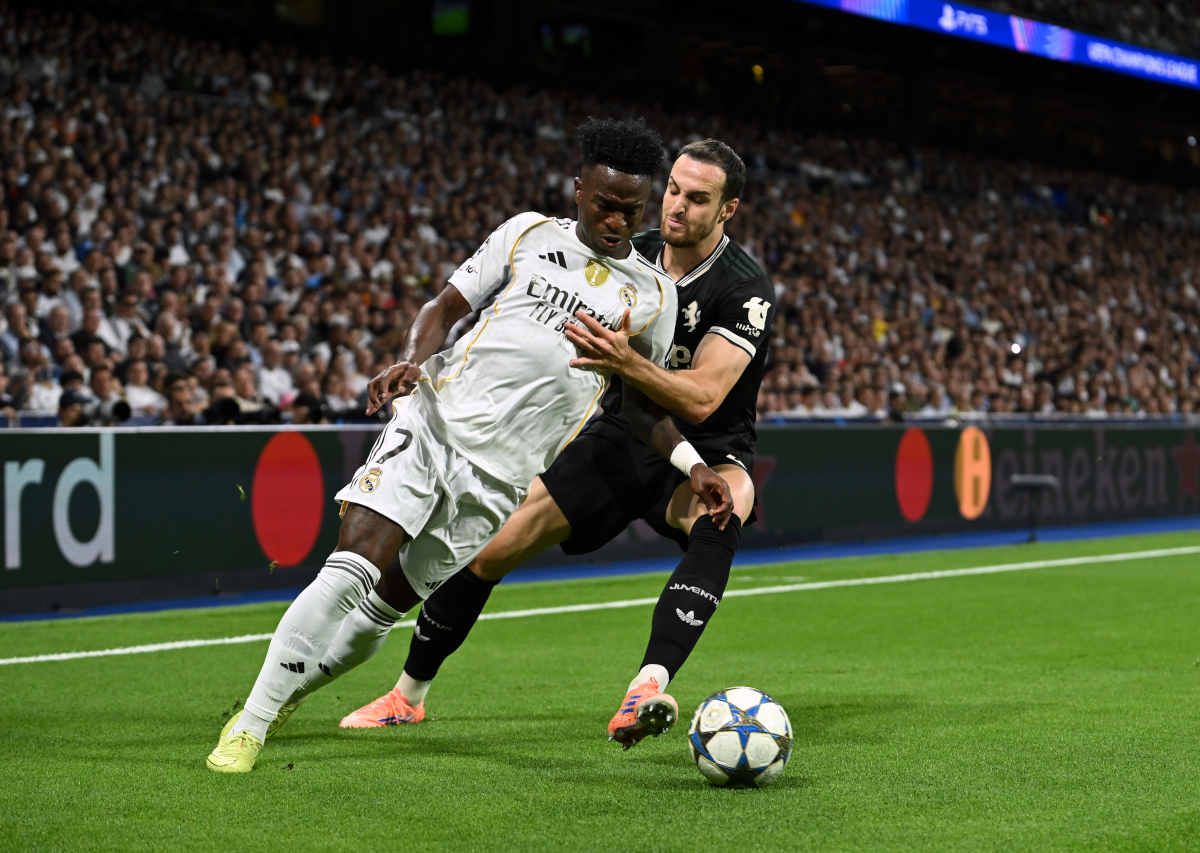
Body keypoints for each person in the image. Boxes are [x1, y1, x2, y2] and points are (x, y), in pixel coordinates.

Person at [206, 117, 732, 773]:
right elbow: (443, 309)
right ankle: (249, 726)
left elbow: (641, 408)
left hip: (499, 482)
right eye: (606, 204)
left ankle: (287, 694)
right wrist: (408, 360)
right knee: (353, 567)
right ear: (579, 189)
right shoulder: (527, 233)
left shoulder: (654, 296)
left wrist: (693, 462)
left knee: (382, 608)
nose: (619, 220)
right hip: (434, 423)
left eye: (632, 208)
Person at [339, 140, 777, 750]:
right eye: (673, 188)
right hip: (622, 433)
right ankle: (406, 696)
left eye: (697, 198)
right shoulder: (633, 256)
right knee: (490, 550)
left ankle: (647, 686)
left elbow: (703, 397)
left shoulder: (745, 287)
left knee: (726, 504)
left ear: (726, 211)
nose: (675, 206)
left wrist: (627, 361)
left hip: (707, 448)